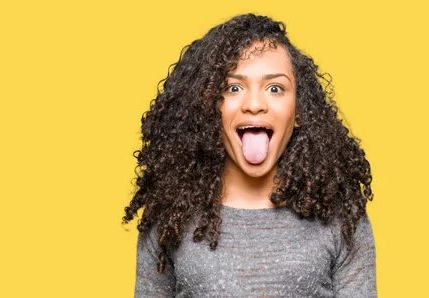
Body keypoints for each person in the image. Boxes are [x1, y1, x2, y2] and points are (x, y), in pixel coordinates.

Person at [122, 13, 376, 297]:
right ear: (208, 108)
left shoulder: (342, 219)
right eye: (233, 88)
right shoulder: (171, 216)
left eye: (275, 88)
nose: (254, 104)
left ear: (300, 111)